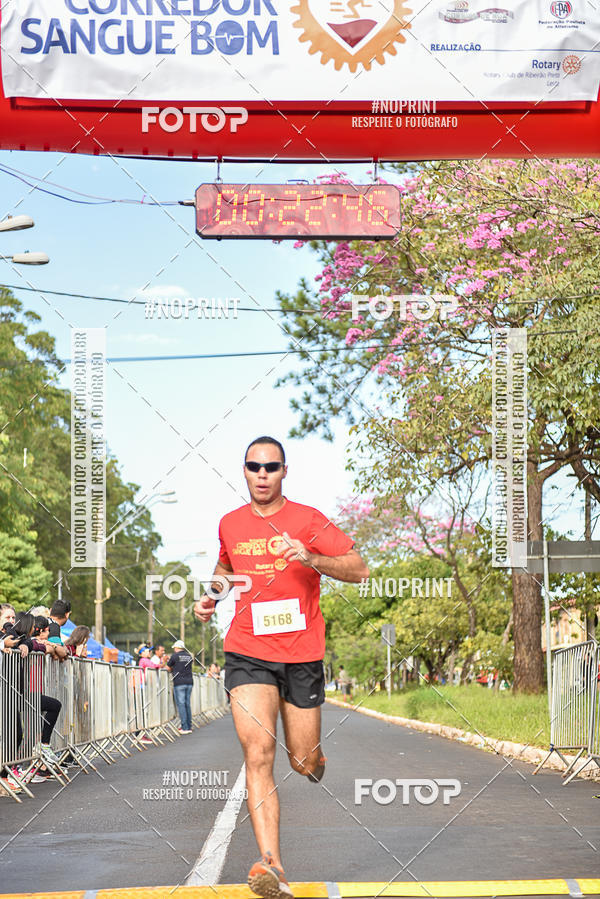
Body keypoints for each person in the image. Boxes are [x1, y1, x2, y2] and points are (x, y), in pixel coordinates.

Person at [193, 436, 369, 899]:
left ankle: (314, 757)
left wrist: (312, 558)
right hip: (248, 651)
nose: (262, 474)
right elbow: (225, 568)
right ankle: (272, 863)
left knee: (302, 761)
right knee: (258, 755)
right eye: (254, 466)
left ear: (284, 470)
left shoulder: (309, 520)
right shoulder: (230, 523)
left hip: (302, 654)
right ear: (245, 470)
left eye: (271, 466)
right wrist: (212, 597)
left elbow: (359, 567)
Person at [165, 640, 193, 734]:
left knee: (181, 705)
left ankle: (184, 727)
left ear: (176, 648)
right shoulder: (189, 656)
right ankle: (189, 726)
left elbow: (168, 668)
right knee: (187, 704)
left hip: (179, 682)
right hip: (189, 681)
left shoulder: (175, 656)